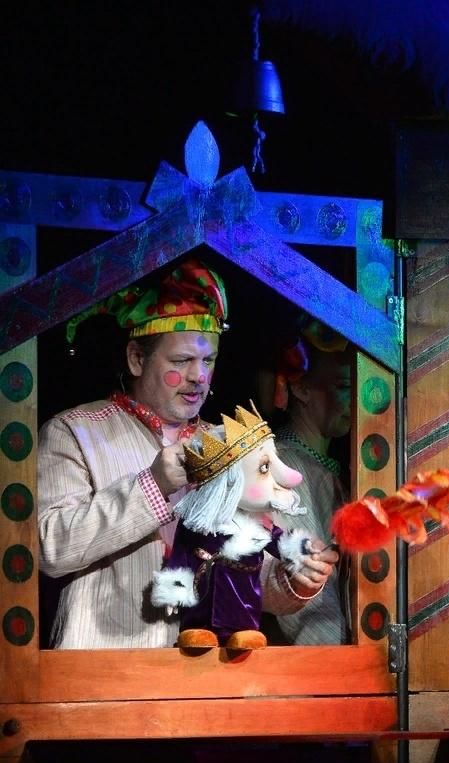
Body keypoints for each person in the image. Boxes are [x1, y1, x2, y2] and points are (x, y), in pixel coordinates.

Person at [37, 259, 338, 649]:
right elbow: (50, 548)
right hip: (105, 668)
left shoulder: (225, 443)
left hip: (204, 673)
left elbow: (247, 568)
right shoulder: (76, 432)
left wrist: (294, 578)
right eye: (181, 361)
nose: (199, 376)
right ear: (136, 358)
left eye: (208, 360)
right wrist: (152, 486)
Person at [264, 318, 355, 644]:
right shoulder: (285, 466)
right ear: (301, 388)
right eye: (343, 387)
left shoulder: (329, 466)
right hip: (317, 661)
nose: (354, 400)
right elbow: (309, 602)